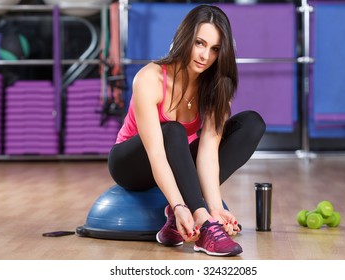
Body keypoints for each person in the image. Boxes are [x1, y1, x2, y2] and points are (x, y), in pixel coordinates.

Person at [108, 4, 266, 257]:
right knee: (173, 130)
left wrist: (215, 207)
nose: (205, 55)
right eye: (199, 43)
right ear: (185, 38)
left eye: (215, 49)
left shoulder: (216, 86)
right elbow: (157, 153)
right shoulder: (150, 78)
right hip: (133, 163)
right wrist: (182, 205)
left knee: (251, 124)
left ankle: (187, 217)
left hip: (175, 160)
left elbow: (208, 152)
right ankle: (203, 226)